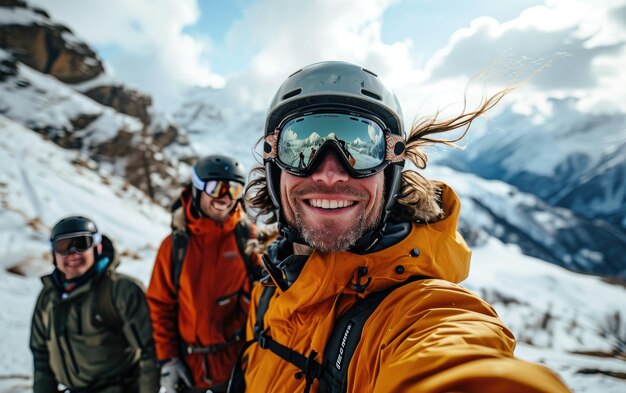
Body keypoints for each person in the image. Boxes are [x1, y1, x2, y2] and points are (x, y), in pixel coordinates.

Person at [229, 61, 571, 392]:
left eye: (360, 150)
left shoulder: (416, 313)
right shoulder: (272, 280)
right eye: (300, 147)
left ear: (391, 168)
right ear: (275, 166)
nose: (329, 173)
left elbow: (452, 351)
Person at [147, 155, 262, 393]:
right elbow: (160, 305)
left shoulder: (248, 238)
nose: (226, 197)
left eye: (234, 189)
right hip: (189, 371)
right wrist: (169, 360)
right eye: (217, 188)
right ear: (197, 190)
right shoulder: (174, 246)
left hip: (239, 365)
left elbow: (266, 295)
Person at [30, 216, 160, 393]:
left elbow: (151, 351)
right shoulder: (49, 298)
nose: (73, 253)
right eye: (63, 246)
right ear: (53, 253)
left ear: (97, 248)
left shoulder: (120, 290)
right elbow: (41, 355)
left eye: (82, 243)